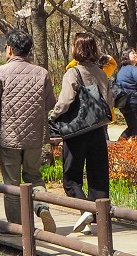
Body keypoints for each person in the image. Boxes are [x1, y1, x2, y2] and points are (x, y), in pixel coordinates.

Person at [0, 28, 57, 232]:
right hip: (35, 137)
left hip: (9, 137)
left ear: (9, 49)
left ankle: (16, 226)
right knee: (34, 176)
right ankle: (42, 207)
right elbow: (50, 102)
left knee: (12, 182)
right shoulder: (42, 73)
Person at [49, 33, 114, 235]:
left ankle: (85, 209)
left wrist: (53, 114)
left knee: (71, 177)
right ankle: (98, 218)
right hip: (98, 130)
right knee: (99, 176)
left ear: (76, 49)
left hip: (77, 131)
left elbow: (66, 100)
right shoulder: (101, 73)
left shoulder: (73, 73)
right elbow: (109, 101)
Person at [113, 48, 137, 140]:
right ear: (126, 56)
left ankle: (118, 147)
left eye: (136, 53)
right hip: (134, 102)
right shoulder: (134, 69)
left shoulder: (121, 70)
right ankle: (136, 151)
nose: (135, 55)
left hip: (124, 103)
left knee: (132, 127)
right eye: (132, 53)